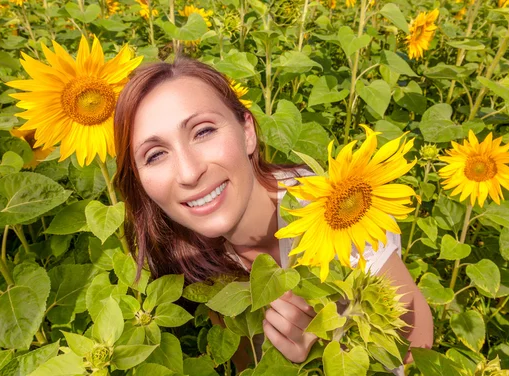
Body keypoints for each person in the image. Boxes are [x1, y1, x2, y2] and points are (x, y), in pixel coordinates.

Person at [113, 56, 434, 370]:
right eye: (155, 155)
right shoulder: (189, 257)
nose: (188, 172)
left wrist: (328, 345)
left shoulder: (339, 206)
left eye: (203, 131)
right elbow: (247, 363)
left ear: (248, 132)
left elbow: (416, 349)